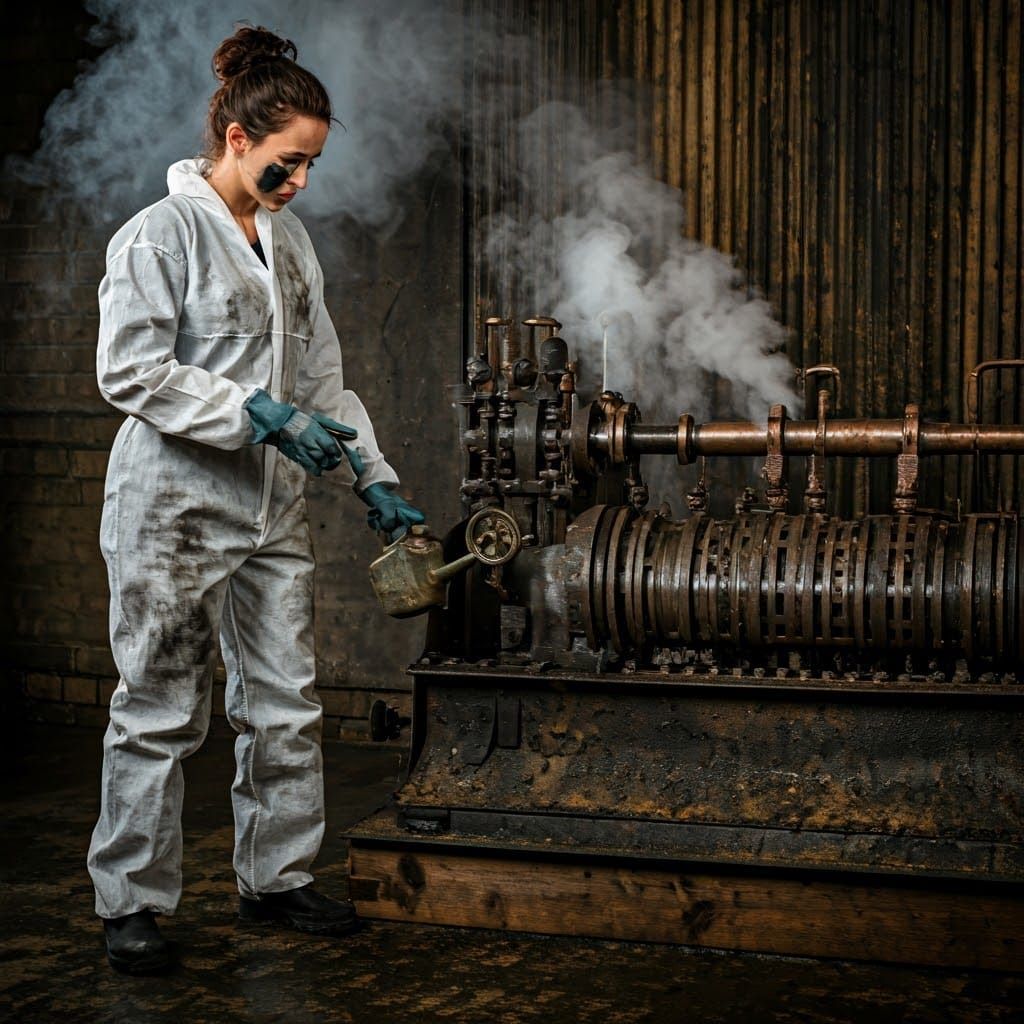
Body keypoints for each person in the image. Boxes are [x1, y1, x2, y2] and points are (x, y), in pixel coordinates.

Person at [86, 25, 424, 975]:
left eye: (312, 165)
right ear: (237, 140)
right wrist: (254, 411)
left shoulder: (290, 243)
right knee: (158, 706)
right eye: (288, 163)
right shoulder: (161, 235)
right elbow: (129, 370)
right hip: (175, 507)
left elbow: (321, 380)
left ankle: (276, 877)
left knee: (284, 701)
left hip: (271, 507)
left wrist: (375, 476)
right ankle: (130, 901)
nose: (301, 182)